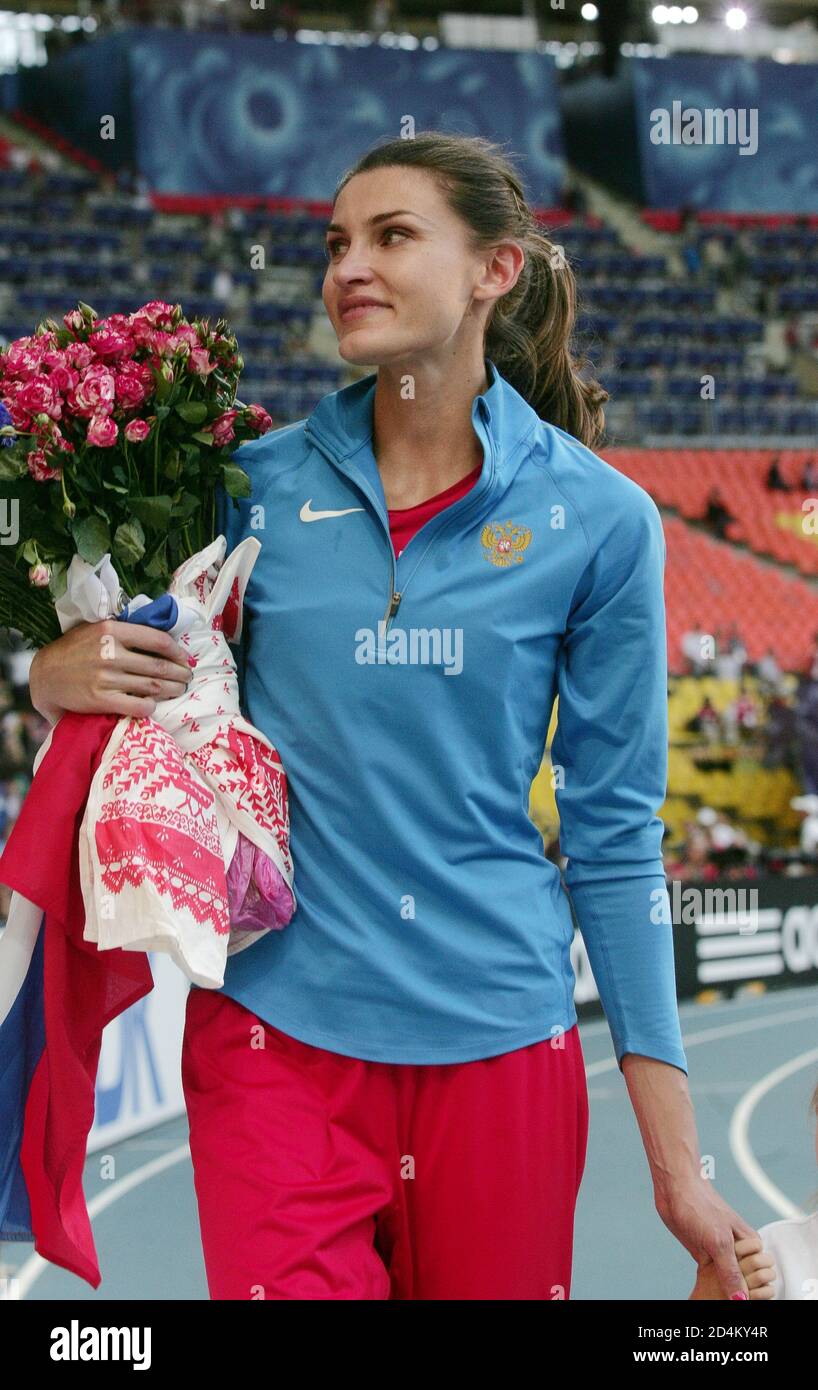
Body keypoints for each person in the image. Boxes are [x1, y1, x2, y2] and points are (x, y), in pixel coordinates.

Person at [27, 130, 760, 1302]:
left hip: (501, 1051)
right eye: (332, 243)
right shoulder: (243, 485)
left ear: (495, 271)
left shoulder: (603, 523)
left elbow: (614, 844)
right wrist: (50, 671)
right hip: (272, 1043)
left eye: (390, 235)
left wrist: (679, 1168)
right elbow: (130, 661)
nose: (345, 268)